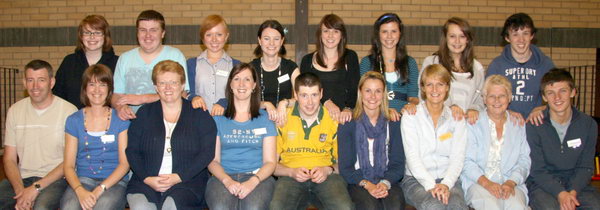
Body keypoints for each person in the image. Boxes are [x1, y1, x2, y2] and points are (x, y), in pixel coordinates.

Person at [125, 60, 216, 209]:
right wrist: (147, 179)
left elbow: (207, 153)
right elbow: (132, 151)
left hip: (187, 181)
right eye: (162, 83)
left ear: (182, 86)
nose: (168, 88)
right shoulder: (144, 113)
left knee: (171, 206)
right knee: (141, 207)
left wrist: (178, 177)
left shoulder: (199, 115)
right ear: (156, 87)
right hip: (146, 180)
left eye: (173, 82)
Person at [270, 72, 353, 210]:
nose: (310, 102)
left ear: (321, 94)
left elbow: (345, 164)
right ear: (295, 96)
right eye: (304, 95)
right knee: (276, 207)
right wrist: (291, 172)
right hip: (290, 176)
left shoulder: (334, 120)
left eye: (314, 95)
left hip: (327, 177)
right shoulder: (283, 119)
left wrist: (328, 170)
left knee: (344, 207)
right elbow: (272, 165)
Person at [0, 60, 77, 209]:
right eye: (30, 80)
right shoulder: (15, 111)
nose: (35, 86)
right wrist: (20, 192)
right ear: (24, 82)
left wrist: (35, 188)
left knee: (41, 207)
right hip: (22, 179)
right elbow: (9, 159)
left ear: (52, 82)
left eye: (41, 80)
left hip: (57, 180)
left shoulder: (69, 112)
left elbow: (70, 161)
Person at [205, 63, 277, 210]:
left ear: (254, 85)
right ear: (230, 85)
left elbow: (270, 162)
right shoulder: (218, 119)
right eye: (237, 79)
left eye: (247, 79)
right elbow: (213, 160)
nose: (242, 84)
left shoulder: (266, 118)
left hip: (258, 177)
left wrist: (253, 181)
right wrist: (227, 181)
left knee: (253, 207)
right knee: (220, 206)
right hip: (223, 176)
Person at [526, 68, 600, 210]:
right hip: (543, 186)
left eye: (563, 91)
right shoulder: (534, 125)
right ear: (544, 97)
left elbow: (586, 167)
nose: (557, 97)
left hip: (577, 186)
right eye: (550, 93)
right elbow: (537, 170)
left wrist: (572, 192)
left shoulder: (588, 124)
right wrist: (561, 194)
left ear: (573, 92)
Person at [60, 64, 130, 210]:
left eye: (102, 84)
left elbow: (124, 164)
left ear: (110, 89)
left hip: (114, 182)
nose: (97, 90)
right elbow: (68, 166)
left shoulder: (121, 120)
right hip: (82, 180)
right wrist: (80, 191)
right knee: (69, 206)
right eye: (92, 84)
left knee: (103, 206)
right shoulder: (74, 120)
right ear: (85, 88)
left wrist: (99, 190)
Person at [400, 64, 467, 210]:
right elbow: (413, 158)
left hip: (449, 180)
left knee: (457, 206)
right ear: (423, 88)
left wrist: (446, 184)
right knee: (434, 205)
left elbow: (458, 157)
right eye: (429, 85)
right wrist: (431, 185)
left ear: (447, 87)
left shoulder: (457, 118)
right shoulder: (411, 116)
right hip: (416, 180)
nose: (435, 90)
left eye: (440, 84)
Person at [338, 71, 406, 210]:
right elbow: (346, 167)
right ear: (360, 93)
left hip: (388, 180)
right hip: (358, 181)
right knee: (369, 206)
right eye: (368, 91)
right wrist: (368, 185)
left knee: (394, 205)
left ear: (384, 94)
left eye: (378, 91)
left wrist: (385, 183)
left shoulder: (393, 122)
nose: (373, 96)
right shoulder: (348, 123)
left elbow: (398, 163)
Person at [461, 75, 530, 210]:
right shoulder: (473, 123)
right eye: (492, 96)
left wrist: (511, 182)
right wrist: (488, 184)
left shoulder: (518, 124)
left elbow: (524, 160)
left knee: (517, 207)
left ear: (509, 98)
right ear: (484, 99)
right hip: (479, 183)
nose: (497, 100)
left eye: (502, 96)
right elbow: (466, 161)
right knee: (491, 206)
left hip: (511, 183)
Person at [112, 10, 188, 121]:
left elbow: (182, 94)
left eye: (153, 30)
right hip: (132, 123)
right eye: (143, 30)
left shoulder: (175, 56)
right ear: (137, 33)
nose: (148, 35)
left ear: (162, 33)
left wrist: (143, 98)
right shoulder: (124, 58)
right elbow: (116, 95)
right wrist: (120, 107)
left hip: (166, 123)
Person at [486, 13, 554, 121]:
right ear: (507, 38)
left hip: (536, 124)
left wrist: (543, 108)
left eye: (525, 33)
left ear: (532, 35)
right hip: (506, 124)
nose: (521, 39)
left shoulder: (546, 65)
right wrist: (506, 112)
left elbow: (558, 97)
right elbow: (487, 99)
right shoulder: (497, 66)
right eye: (515, 34)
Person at [421, 17, 485, 124]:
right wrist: (449, 106)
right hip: (438, 124)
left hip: (467, 127)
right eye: (452, 36)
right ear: (445, 38)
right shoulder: (431, 63)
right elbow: (423, 93)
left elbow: (482, 98)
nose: (457, 41)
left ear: (468, 39)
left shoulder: (477, 68)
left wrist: (474, 109)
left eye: (462, 36)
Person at [298, 14, 360, 124]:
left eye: (335, 31)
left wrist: (348, 108)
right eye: (326, 31)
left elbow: (354, 88)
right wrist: (326, 102)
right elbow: (303, 92)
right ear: (320, 34)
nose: (330, 36)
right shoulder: (307, 61)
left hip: (343, 117)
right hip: (315, 118)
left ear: (342, 35)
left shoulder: (350, 57)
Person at [360, 13, 418, 120]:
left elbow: (414, 96)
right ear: (378, 34)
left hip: (404, 119)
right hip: (375, 118)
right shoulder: (367, 63)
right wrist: (385, 111)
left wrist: (411, 105)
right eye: (385, 32)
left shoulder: (410, 63)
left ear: (400, 33)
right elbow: (363, 97)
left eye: (394, 31)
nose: (389, 36)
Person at [53, 14, 119, 109]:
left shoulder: (118, 63)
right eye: (87, 33)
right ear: (81, 36)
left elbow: (120, 97)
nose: (92, 37)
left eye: (97, 33)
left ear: (105, 36)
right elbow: (58, 95)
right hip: (74, 119)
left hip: (108, 121)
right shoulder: (69, 62)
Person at [187, 14, 241, 114]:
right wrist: (194, 97)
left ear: (226, 36)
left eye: (219, 34)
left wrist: (224, 102)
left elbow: (240, 94)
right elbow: (184, 92)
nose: (214, 39)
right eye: (209, 35)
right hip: (199, 121)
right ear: (202, 38)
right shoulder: (191, 64)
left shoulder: (236, 65)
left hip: (227, 120)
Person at [250, 19, 300, 123]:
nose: (271, 43)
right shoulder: (250, 68)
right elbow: (244, 100)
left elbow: (301, 99)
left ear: (282, 41)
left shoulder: (291, 68)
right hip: (257, 122)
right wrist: (265, 104)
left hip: (284, 121)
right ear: (259, 40)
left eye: (276, 39)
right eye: (266, 38)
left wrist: (284, 103)